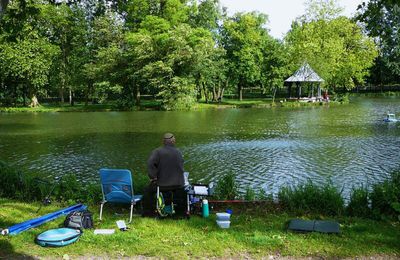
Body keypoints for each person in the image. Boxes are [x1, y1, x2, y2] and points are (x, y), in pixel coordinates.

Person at [141, 133, 187, 217]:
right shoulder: (178, 152)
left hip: (162, 184)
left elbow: (150, 164)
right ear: (173, 141)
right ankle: (180, 214)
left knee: (147, 191)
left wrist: (153, 177)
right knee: (182, 192)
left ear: (163, 141)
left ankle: (148, 213)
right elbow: (181, 167)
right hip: (178, 184)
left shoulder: (157, 151)